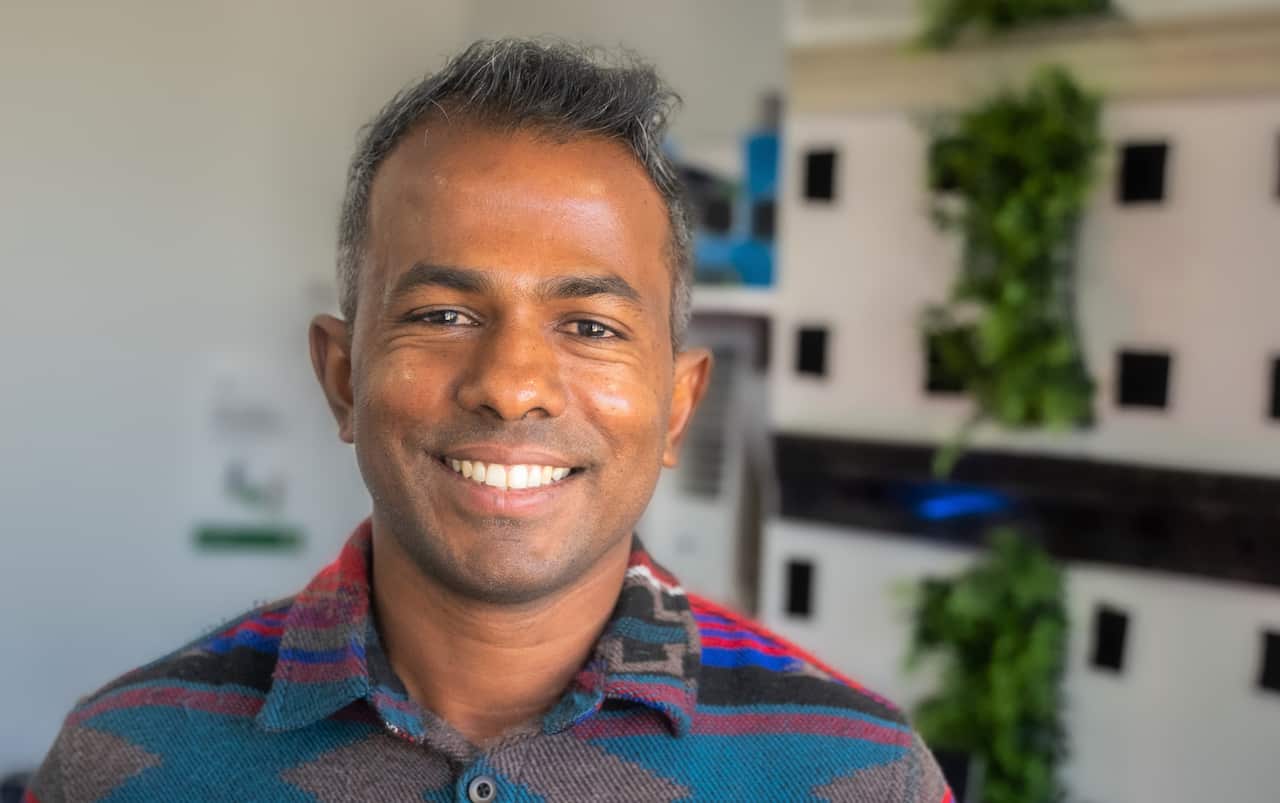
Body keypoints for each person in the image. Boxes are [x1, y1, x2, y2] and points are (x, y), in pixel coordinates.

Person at [27, 40, 951, 802]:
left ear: (679, 405)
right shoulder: (120, 762)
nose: (512, 387)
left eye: (590, 325)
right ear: (342, 377)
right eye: (442, 314)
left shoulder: (859, 776)